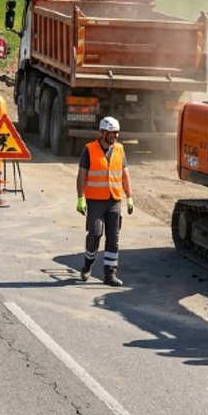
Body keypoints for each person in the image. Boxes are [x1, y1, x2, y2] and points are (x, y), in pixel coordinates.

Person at [76, 116, 133, 287]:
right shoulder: (89, 149)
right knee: (95, 233)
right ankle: (87, 265)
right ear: (102, 133)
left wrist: (129, 197)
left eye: (116, 133)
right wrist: (80, 198)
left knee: (113, 239)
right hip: (95, 201)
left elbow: (125, 175)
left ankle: (110, 274)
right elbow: (81, 176)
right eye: (111, 133)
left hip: (114, 200)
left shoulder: (120, 150)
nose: (115, 136)